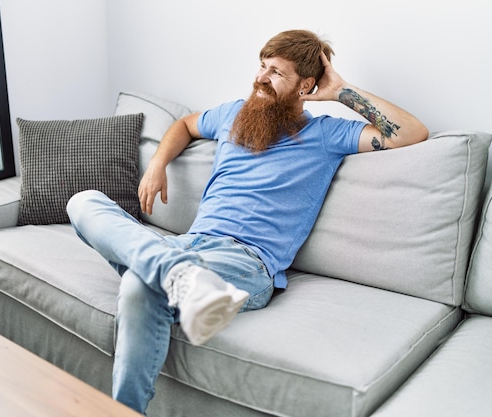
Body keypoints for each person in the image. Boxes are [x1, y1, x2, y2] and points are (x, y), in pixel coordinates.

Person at [67, 29, 428, 414]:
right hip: (188, 245)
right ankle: (174, 271)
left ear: (305, 85)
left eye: (276, 72)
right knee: (83, 201)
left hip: (246, 262)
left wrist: (340, 90)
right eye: (261, 65)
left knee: (139, 285)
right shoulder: (233, 114)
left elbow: (411, 133)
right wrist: (157, 164)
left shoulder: (325, 135)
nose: (260, 77)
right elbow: (186, 125)